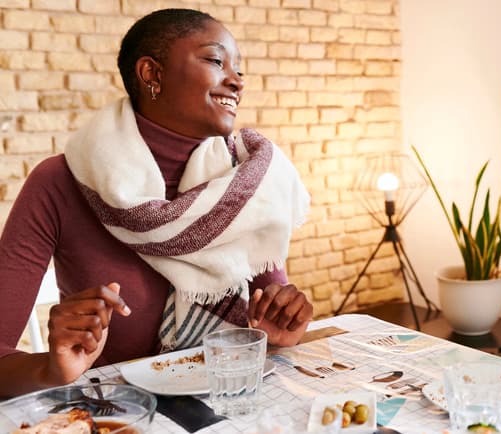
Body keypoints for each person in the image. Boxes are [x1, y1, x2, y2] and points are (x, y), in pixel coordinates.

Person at [0, 9, 313, 398]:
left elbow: (271, 315)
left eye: (239, 69)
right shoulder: (59, 183)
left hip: (230, 399)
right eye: (216, 60)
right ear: (151, 74)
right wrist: (51, 368)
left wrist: (280, 334)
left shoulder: (247, 181)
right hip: (118, 413)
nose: (236, 81)